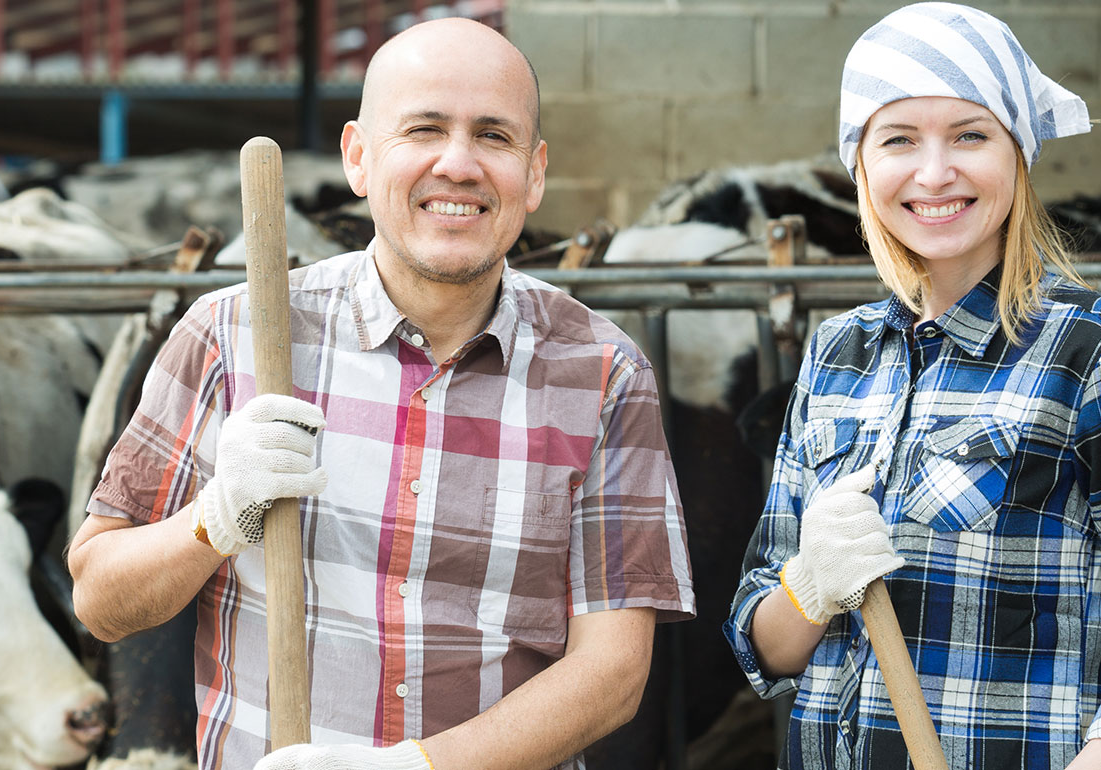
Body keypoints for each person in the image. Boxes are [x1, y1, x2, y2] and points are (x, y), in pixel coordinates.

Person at [68, 18, 693, 770]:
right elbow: (100, 602)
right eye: (424, 128)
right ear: (359, 157)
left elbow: (614, 675)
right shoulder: (230, 335)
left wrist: (415, 768)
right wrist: (214, 519)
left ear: (535, 173)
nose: (458, 164)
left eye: (494, 136)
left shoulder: (603, 373)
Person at [723, 4, 1101, 769]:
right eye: (898, 140)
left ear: (1018, 155)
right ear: (862, 165)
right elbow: (764, 645)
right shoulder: (838, 352)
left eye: (970, 134)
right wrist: (809, 586)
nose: (934, 173)